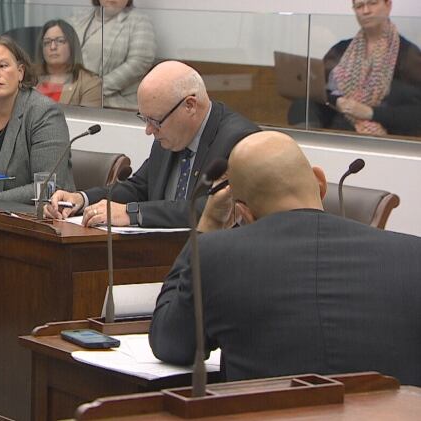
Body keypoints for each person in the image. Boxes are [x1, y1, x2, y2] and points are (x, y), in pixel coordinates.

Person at [149, 131, 421, 386]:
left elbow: (170, 344)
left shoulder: (216, 256)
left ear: (243, 212)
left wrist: (205, 226)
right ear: (320, 182)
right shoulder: (412, 254)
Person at [45, 61, 260, 228]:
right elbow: (139, 187)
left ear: (190, 105)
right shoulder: (169, 134)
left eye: (155, 121)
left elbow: (213, 208)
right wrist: (82, 200)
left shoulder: (239, 142)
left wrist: (133, 213)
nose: (148, 130)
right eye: (145, 119)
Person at [0, 35, 75, 204]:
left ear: (20, 72)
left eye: (3, 66)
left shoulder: (44, 113)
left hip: (33, 220)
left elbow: (47, 186)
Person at [288, 0, 421, 136]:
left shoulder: (408, 54)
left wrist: (370, 113)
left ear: (388, 5)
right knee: (301, 105)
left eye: (372, 3)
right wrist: (338, 102)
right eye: (359, 6)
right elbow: (322, 91)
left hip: (388, 133)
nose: (366, 11)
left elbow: (416, 113)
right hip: (341, 126)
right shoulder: (341, 50)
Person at [67, 0, 156, 109]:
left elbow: (139, 63)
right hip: (74, 98)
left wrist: (94, 88)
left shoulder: (139, 21)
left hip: (115, 105)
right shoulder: (79, 17)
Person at [35, 19, 102, 108]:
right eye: (47, 42)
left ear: (72, 45)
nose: (53, 47)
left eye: (60, 41)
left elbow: (86, 121)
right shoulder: (28, 77)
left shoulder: (90, 83)